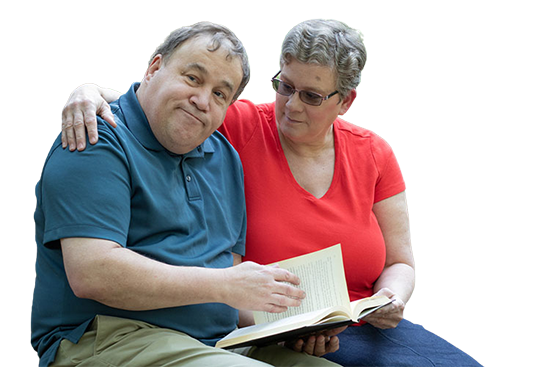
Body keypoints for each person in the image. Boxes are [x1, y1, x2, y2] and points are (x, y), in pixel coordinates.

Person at [60, 19, 482, 366]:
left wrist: (392, 297)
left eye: (312, 96)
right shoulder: (241, 126)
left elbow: (400, 261)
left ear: (346, 100)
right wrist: (91, 93)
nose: (292, 105)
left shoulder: (374, 154)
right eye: (285, 86)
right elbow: (171, 105)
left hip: (361, 320)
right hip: (273, 324)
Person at [31, 22, 343, 367]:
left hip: (217, 343)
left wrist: (294, 325)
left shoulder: (224, 158)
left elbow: (233, 293)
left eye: (220, 94)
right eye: (193, 78)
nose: (201, 100)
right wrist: (224, 284)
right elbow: (93, 272)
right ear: (154, 68)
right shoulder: (96, 137)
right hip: (107, 337)